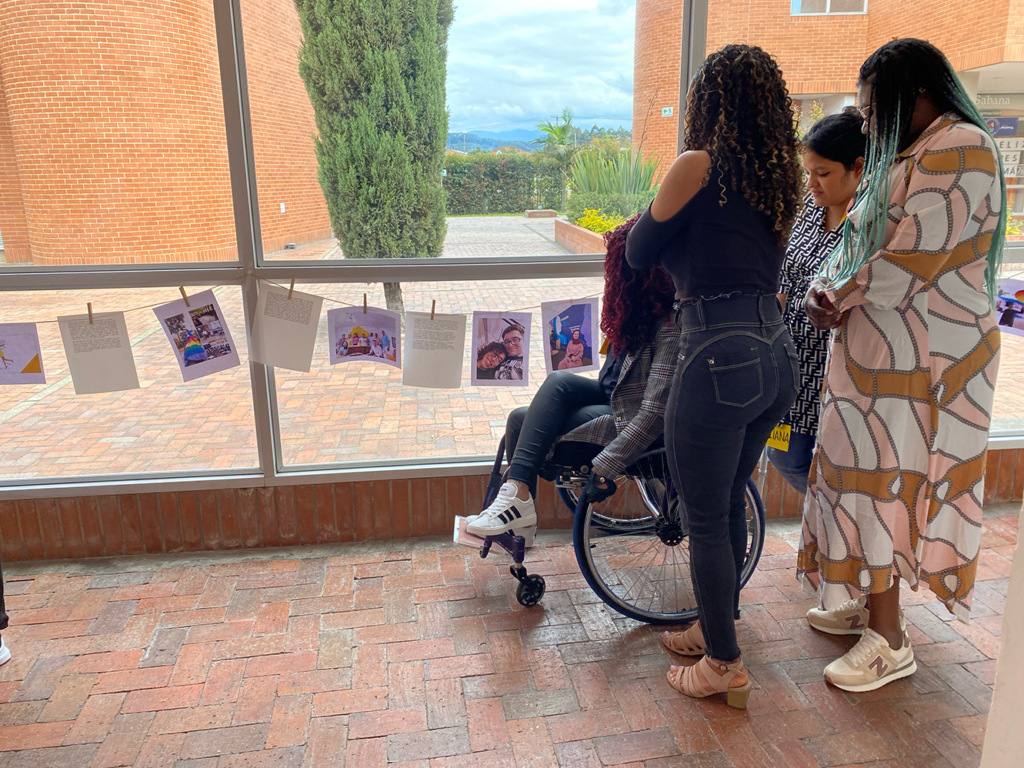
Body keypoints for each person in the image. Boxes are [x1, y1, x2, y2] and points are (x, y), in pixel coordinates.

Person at [800, 38, 1007, 693]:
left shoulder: (961, 146)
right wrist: (826, 285)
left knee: (887, 483)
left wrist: (841, 293)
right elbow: (858, 240)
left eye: (874, 108)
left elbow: (915, 256)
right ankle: (870, 604)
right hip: (877, 353)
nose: (868, 122)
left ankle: (890, 639)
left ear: (917, 95)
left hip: (922, 359)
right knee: (859, 478)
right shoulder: (915, 150)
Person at [626, 44, 802, 708]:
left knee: (703, 515)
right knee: (729, 499)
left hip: (712, 354)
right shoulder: (774, 178)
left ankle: (724, 663)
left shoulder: (697, 165)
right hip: (772, 350)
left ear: (709, 100)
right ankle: (714, 629)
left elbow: (641, 249)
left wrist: (666, 228)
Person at [467, 217, 679, 538]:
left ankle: (516, 498)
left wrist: (606, 465)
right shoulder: (637, 313)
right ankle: (517, 508)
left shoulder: (670, 326)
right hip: (613, 397)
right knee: (531, 406)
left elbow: (653, 413)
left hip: (631, 418)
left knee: (526, 421)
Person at [767, 110, 866, 492]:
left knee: (834, 469)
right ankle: (824, 521)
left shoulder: (868, 226)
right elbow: (785, 273)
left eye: (821, 173)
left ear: (857, 168)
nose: (811, 183)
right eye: (808, 172)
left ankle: (832, 529)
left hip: (832, 369)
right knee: (784, 454)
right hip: (789, 366)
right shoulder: (810, 211)